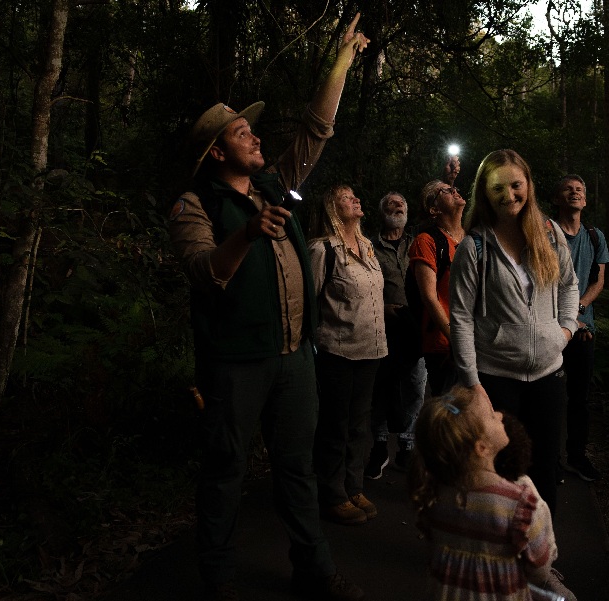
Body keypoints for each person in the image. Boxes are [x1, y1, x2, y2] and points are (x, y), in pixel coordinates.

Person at [166, 14, 370, 601]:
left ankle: (314, 569)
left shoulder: (275, 186)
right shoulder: (192, 205)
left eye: (251, 130)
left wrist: (341, 61)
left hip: (293, 359)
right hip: (235, 363)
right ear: (214, 152)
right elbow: (206, 273)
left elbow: (314, 131)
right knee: (226, 472)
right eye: (239, 132)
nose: (254, 136)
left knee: (297, 470)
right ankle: (220, 578)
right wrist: (249, 233)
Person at [448, 149, 579, 516]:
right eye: (498, 188)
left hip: (548, 376)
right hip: (495, 379)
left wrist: (565, 330)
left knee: (545, 468)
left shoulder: (550, 235)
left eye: (516, 185)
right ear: (484, 193)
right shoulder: (474, 247)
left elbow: (569, 285)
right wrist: (472, 385)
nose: (509, 195)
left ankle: (542, 560)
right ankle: (500, 556)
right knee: (501, 471)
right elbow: (460, 317)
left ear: (529, 185)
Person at [409, 386, 576, 601]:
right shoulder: (520, 503)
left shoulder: (432, 494)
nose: (499, 414)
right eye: (490, 415)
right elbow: (540, 569)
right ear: (481, 448)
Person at [307, 185, 387, 525]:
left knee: (359, 423)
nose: (355, 199)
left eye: (356, 195)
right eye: (345, 197)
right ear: (331, 208)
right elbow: (309, 302)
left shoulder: (368, 247)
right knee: (335, 425)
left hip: (371, 349)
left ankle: (353, 486)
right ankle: (332, 493)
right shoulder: (322, 249)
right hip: (337, 350)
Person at [553, 175, 609, 483]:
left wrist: (578, 316)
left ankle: (576, 456)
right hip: (550, 328)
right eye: (568, 189)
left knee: (579, 397)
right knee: (549, 395)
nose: (575, 193)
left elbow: (598, 281)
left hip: (582, 327)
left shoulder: (595, 235)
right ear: (557, 198)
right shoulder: (547, 233)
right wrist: (565, 320)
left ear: (585, 201)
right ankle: (548, 458)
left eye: (580, 190)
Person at [366, 192, 428, 478]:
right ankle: (379, 445)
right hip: (382, 327)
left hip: (414, 328)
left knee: (415, 385)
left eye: (402, 202)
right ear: (382, 211)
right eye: (390, 202)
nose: (397, 205)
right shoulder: (368, 246)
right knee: (380, 386)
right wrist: (381, 308)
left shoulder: (417, 241)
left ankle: (407, 444)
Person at [409, 160, 467, 397]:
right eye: (447, 191)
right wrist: (454, 338)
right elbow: (429, 297)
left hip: (477, 341)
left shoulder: (472, 239)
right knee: (450, 414)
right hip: (445, 345)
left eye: (455, 189)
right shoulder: (426, 241)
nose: (455, 191)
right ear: (433, 210)